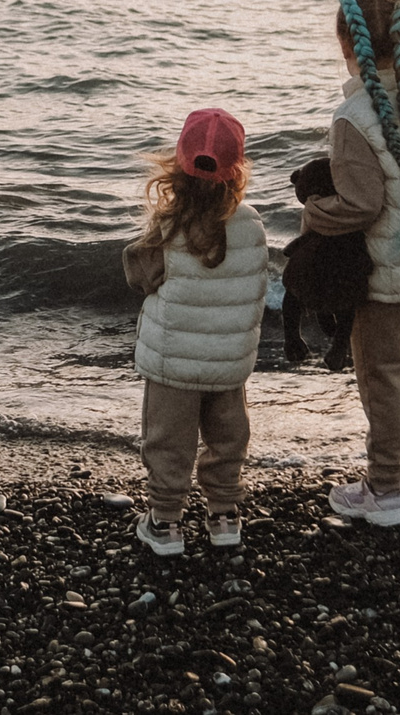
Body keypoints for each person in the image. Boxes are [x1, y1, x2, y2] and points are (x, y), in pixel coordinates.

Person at [299, 0, 400, 528]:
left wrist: (315, 212)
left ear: (345, 43)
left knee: (380, 376)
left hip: (385, 268)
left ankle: (384, 490)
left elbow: (361, 205)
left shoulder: (353, 117)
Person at [123, 107, 268, 556]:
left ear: (178, 168)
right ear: (236, 172)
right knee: (228, 438)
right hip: (229, 364)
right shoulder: (252, 224)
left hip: (173, 362)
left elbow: (140, 276)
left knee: (168, 442)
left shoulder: (168, 226)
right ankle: (224, 515)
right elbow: (256, 287)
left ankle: (166, 522)